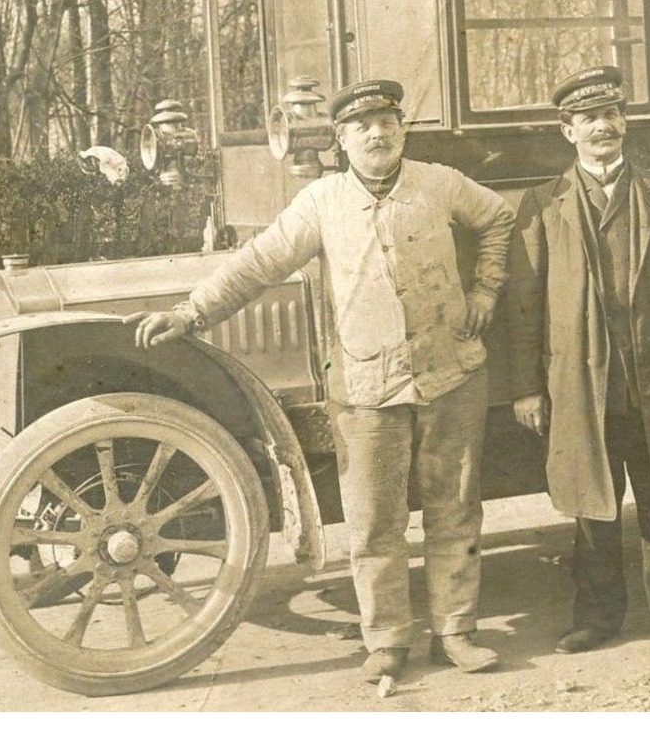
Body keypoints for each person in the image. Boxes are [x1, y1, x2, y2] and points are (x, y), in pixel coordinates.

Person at [132, 79, 514, 683]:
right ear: (340, 139)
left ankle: (456, 632)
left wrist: (487, 288)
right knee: (373, 523)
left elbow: (498, 218)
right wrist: (190, 313)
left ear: (402, 129)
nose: (377, 134)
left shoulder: (438, 183)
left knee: (455, 510)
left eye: (387, 121)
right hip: (365, 390)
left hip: (451, 374)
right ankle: (387, 642)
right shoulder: (321, 201)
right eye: (362, 126)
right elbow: (258, 263)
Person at [506, 65, 650, 660]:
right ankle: (597, 618)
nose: (603, 127)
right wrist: (528, 388)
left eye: (611, 115)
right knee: (591, 503)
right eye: (588, 119)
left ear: (624, 122)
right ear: (567, 131)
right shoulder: (543, 205)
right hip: (582, 384)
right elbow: (525, 304)